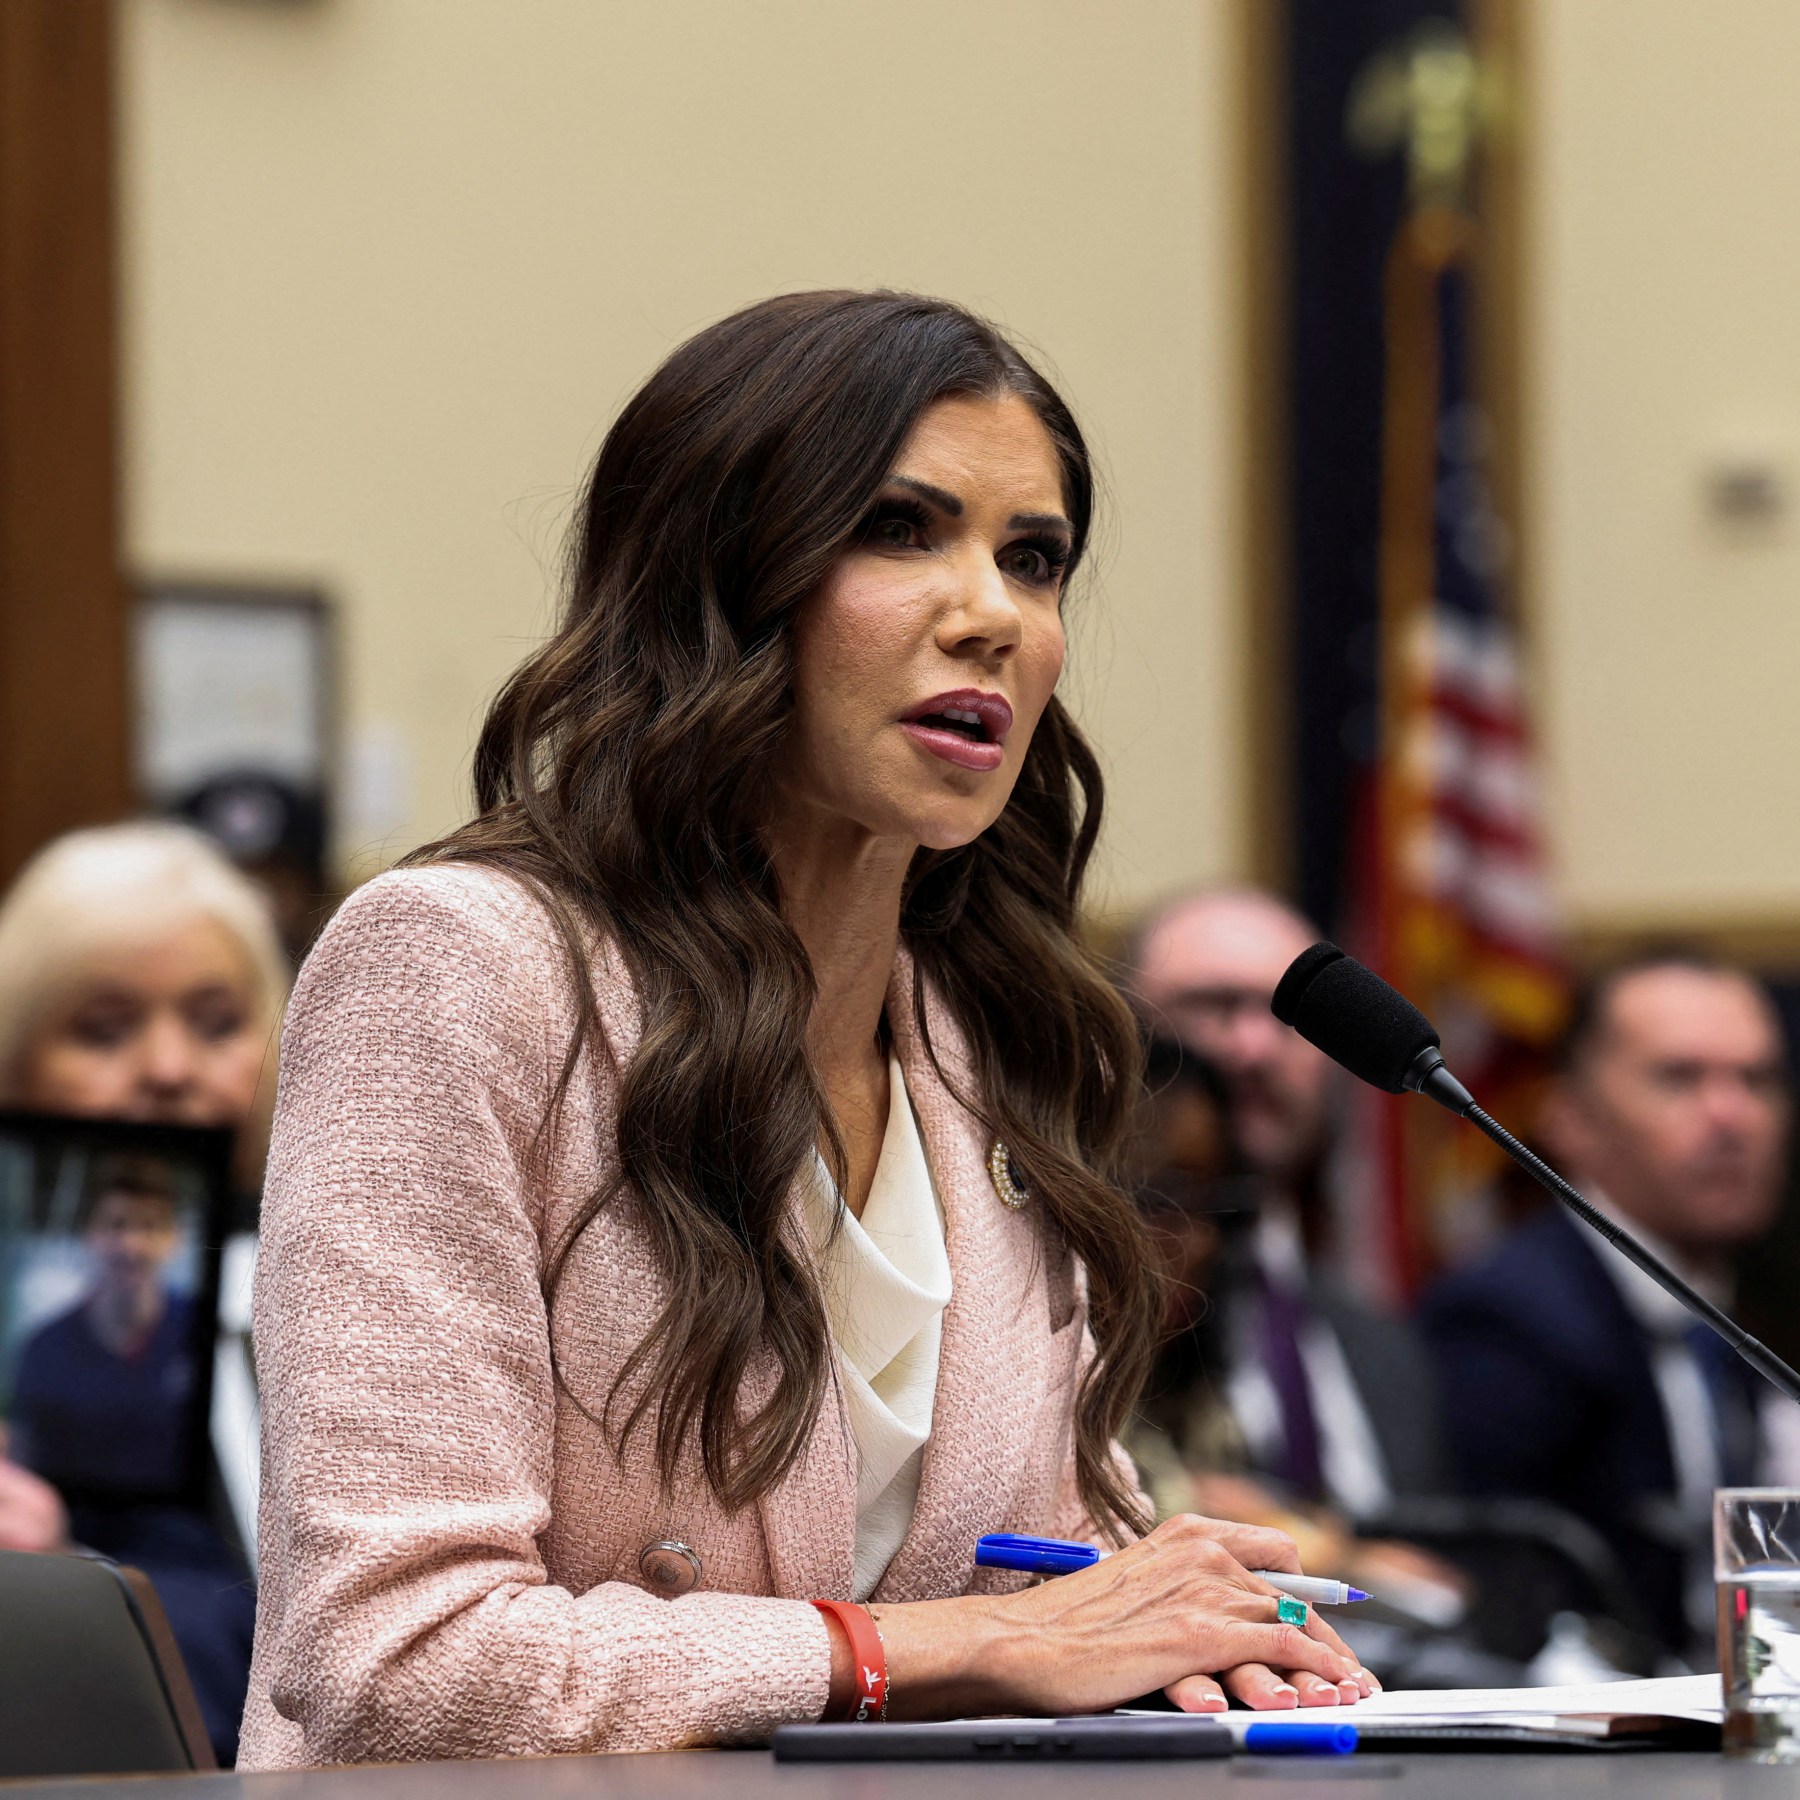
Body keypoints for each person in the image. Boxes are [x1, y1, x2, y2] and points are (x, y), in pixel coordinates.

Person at [244, 291, 1376, 1770]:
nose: (991, 615)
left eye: (1033, 559)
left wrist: (1203, 1636)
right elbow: (394, 1655)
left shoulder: (992, 1037)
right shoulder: (459, 966)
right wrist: (954, 1649)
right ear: (721, 581)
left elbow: (1063, 1583)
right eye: (900, 532)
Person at [0, 818, 291, 1763]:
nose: (169, 1071)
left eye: (217, 1023)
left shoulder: (349, 1264)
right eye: (104, 1029)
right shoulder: (44, 1332)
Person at [1420, 951, 1795, 1657]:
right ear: (1571, 1119)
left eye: (1758, 1079)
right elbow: (1503, 1609)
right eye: (1680, 1077)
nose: (1733, 1115)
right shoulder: (1507, 1318)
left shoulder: (1748, 1305)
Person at [1126, 887, 1448, 1518]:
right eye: (1214, 1005)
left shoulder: (1381, 1336)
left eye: (1292, 1019)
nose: (1255, 1049)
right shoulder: (1067, 1301)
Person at [10, 1155, 198, 1496]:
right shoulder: (43, 1350)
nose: (131, 1245)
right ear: (90, 1234)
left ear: (173, 1238)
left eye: (149, 1226)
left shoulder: (197, 1331)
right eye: (116, 1225)